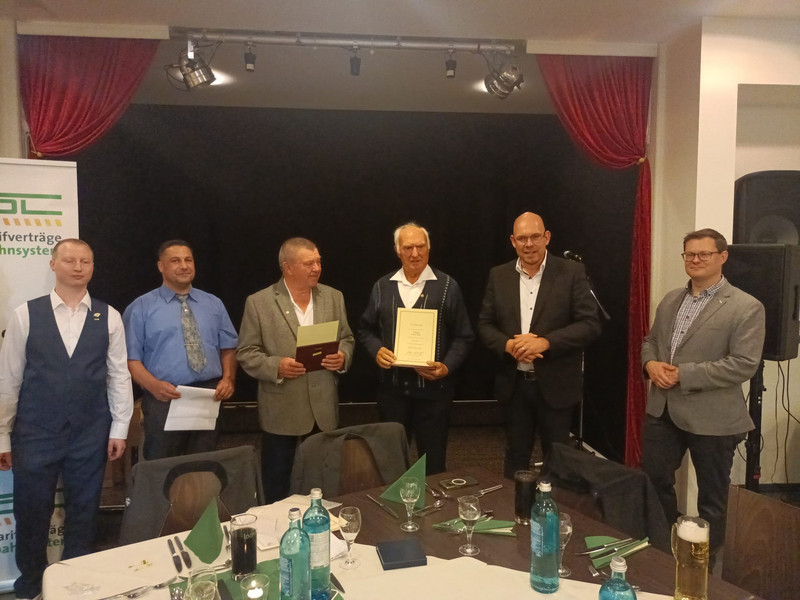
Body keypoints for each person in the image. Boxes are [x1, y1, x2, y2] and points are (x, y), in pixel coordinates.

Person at [0, 238, 133, 600]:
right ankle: (31, 586)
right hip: (34, 433)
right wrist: (3, 435)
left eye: (85, 261)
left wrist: (120, 427)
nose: (78, 267)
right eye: (70, 260)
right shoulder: (26, 314)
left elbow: (119, 375)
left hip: (90, 433)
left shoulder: (109, 316)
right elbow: (9, 379)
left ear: (93, 267)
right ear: (53, 264)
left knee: (84, 512)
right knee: (31, 513)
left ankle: (76, 585)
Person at [641, 228, 765, 563]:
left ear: (723, 257)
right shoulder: (671, 300)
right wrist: (650, 364)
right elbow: (651, 341)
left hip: (713, 417)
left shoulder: (746, 307)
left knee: (712, 498)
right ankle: (663, 550)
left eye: (703, 254)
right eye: (689, 254)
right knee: (654, 481)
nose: (695, 260)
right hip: (663, 410)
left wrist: (683, 374)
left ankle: (704, 566)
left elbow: (743, 364)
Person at [477, 212, 601, 479]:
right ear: (513, 241)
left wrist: (546, 343)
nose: (529, 244)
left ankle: (553, 507)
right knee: (515, 457)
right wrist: (508, 345)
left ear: (547, 237)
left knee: (558, 460)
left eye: (535, 237)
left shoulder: (571, 272)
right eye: (522, 238)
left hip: (556, 385)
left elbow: (590, 324)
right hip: (514, 386)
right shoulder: (498, 275)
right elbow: (485, 325)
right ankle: (515, 504)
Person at [237, 237, 354, 502]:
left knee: (323, 478)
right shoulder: (259, 302)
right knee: (277, 479)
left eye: (318, 262)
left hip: (323, 406)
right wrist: (276, 366)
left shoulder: (333, 297)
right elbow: (246, 352)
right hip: (282, 408)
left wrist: (343, 356)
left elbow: (347, 338)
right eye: (308, 263)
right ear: (287, 267)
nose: (316, 268)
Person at [357, 223, 474, 474]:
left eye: (420, 246)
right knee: (390, 464)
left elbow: (464, 336)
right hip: (391, 393)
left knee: (433, 466)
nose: (415, 253)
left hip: (434, 395)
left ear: (429, 248)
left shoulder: (447, 286)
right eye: (408, 247)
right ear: (397, 250)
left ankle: (432, 501)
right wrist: (376, 350)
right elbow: (365, 329)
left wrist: (446, 367)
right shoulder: (382, 286)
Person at [123, 240, 238, 460]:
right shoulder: (140, 308)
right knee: (162, 465)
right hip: (164, 398)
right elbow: (130, 359)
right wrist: (153, 386)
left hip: (208, 396)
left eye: (188, 260)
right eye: (175, 261)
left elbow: (228, 346)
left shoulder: (213, 304)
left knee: (204, 464)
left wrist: (228, 379)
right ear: (161, 266)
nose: (184, 266)